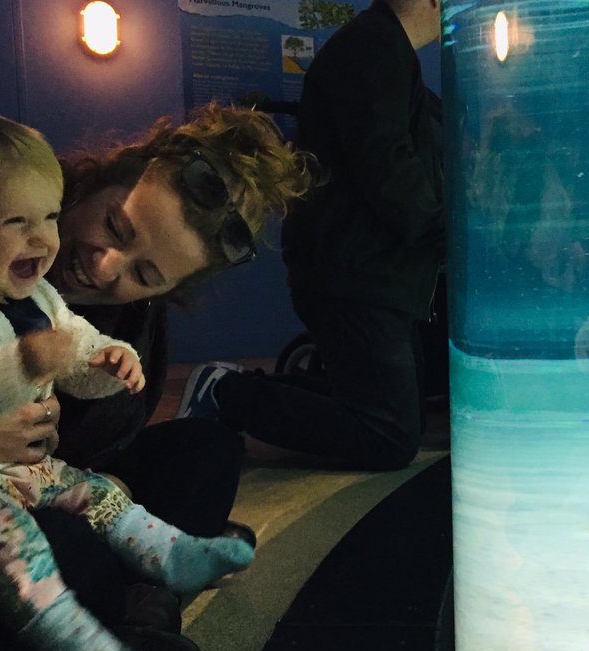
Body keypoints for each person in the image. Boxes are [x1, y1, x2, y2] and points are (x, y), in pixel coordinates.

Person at [0, 101, 318, 651]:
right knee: (63, 556)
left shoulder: (108, 317)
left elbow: (107, 434)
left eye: (145, 275)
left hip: (49, 483)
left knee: (205, 449)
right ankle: (115, 619)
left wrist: (108, 479)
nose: (105, 267)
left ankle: (148, 601)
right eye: (115, 226)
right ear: (94, 180)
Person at [176, 0, 446, 471]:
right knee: (391, 436)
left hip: (368, 270)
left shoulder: (382, 49)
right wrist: (443, 232)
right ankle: (227, 393)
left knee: (390, 414)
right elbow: (387, 164)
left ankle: (229, 388)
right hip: (358, 272)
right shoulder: (373, 46)